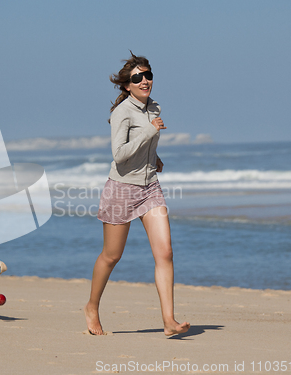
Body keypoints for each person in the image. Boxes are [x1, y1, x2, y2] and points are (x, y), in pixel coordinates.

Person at [84, 52, 190, 336]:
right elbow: (119, 155)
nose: (145, 81)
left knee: (165, 252)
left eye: (148, 75)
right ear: (127, 85)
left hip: (150, 188)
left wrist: (154, 158)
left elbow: (144, 143)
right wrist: (148, 135)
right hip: (121, 190)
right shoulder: (121, 113)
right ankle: (92, 306)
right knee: (111, 256)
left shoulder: (154, 107)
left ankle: (169, 321)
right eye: (137, 78)